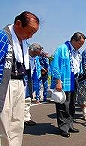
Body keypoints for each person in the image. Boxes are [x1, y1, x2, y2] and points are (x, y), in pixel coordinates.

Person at [0, 11, 40, 146]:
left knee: (17, 122)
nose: (30, 36)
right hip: (6, 84)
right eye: (30, 31)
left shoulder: (23, 42)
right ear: (18, 24)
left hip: (19, 83)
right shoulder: (3, 37)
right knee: (4, 123)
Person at [50, 32, 86, 138]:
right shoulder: (62, 49)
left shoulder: (76, 52)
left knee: (71, 104)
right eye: (80, 43)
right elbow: (55, 65)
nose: (81, 46)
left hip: (74, 79)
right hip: (63, 79)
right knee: (62, 104)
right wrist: (58, 81)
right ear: (73, 40)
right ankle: (63, 128)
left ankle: (70, 125)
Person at [24, 43, 43, 126]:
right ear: (30, 50)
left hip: (30, 80)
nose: (36, 56)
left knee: (27, 100)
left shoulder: (35, 58)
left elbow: (37, 68)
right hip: (21, 80)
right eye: (35, 54)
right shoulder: (23, 55)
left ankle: (26, 118)